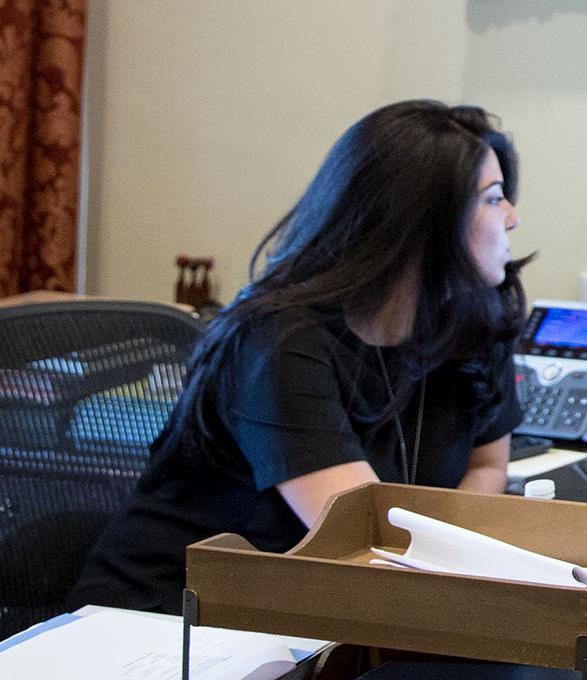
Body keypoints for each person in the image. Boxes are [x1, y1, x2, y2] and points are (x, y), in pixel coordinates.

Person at [72, 100, 528, 613]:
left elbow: (488, 464)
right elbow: (365, 539)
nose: (512, 218)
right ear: (421, 223)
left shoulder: (471, 320)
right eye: (492, 199)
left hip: (322, 619)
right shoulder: (280, 341)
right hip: (170, 628)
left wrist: (459, 557)